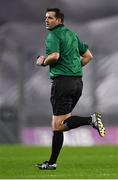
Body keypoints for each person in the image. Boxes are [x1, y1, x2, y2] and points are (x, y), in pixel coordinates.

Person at [35, 8, 106, 170]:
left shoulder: (53, 35)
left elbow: (54, 56)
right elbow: (88, 56)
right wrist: (73, 68)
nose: (46, 20)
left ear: (59, 20)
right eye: (45, 17)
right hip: (77, 83)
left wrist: (42, 62)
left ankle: (91, 119)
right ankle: (51, 163)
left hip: (62, 83)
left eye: (50, 18)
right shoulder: (72, 35)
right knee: (59, 124)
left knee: (58, 125)